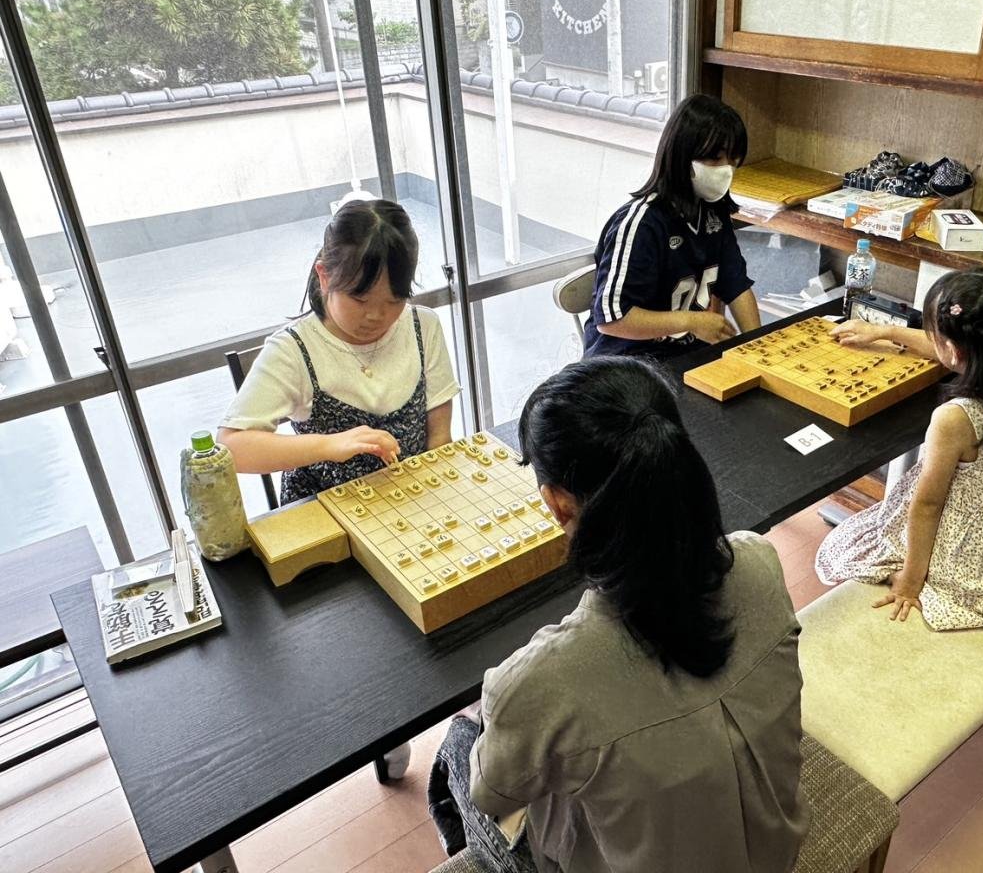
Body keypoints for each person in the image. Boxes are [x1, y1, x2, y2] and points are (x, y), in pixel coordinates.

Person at [427, 357, 807, 873]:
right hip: (776, 849)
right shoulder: (759, 561)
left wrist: (502, 708)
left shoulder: (543, 679)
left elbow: (492, 794)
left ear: (557, 504)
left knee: (457, 746)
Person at [816, 268, 983, 630]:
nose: (931, 340)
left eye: (935, 336)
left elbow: (927, 506)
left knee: (847, 545)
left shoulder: (954, 419)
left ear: (955, 350)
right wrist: (886, 331)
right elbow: (956, 349)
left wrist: (911, 583)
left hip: (963, 548)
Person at [219, 197, 459, 506]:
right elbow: (230, 447)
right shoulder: (294, 350)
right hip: (326, 518)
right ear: (324, 276)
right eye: (360, 299)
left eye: (394, 300)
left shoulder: (423, 326)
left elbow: (439, 440)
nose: (376, 316)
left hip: (411, 504)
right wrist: (329, 445)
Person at [582, 94, 761, 359]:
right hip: (626, 365)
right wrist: (690, 322)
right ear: (683, 156)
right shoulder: (641, 223)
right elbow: (612, 319)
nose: (726, 170)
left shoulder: (713, 213)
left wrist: (757, 347)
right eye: (715, 160)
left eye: (733, 161)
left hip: (683, 356)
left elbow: (737, 286)